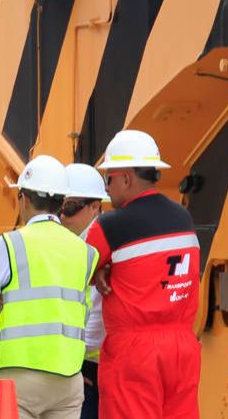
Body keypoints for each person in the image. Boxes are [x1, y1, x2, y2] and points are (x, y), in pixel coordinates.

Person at [81, 130, 200, 419]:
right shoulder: (183, 218)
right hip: (183, 349)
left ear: (126, 178)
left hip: (135, 353)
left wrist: (101, 271)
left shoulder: (110, 226)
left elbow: (77, 270)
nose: (107, 188)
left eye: (109, 178)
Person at [0, 156, 97, 419]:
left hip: (17, 375)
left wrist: (1, 308)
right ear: (61, 202)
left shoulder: (10, 244)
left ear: (23, 197)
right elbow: (82, 311)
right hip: (68, 377)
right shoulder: (86, 252)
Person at [59, 163, 108, 419]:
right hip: (81, 361)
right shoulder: (72, 242)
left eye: (70, 208)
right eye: (59, 207)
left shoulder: (96, 246)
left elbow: (96, 309)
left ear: (95, 206)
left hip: (89, 363)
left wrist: (75, 365)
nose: (62, 216)